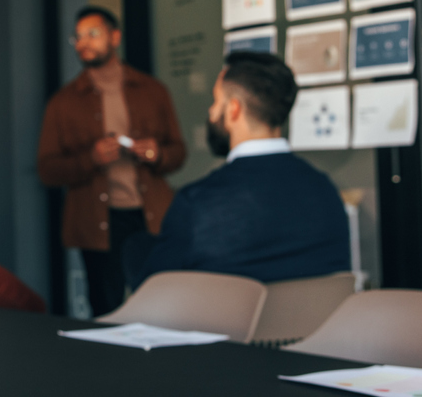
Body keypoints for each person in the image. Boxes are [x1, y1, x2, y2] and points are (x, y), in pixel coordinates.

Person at [127, 52, 349, 289]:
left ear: (233, 110)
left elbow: (152, 292)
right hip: (311, 326)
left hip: (222, 326)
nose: (212, 112)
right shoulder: (325, 192)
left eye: (216, 102)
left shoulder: (198, 203)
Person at [37, 6, 185, 316]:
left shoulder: (153, 91)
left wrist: (157, 154)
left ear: (114, 37)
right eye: (77, 37)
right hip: (96, 221)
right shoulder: (63, 102)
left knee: (161, 305)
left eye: (92, 34)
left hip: (151, 215)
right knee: (106, 309)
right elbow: (47, 170)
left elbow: (178, 153)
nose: (83, 43)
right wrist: (90, 158)